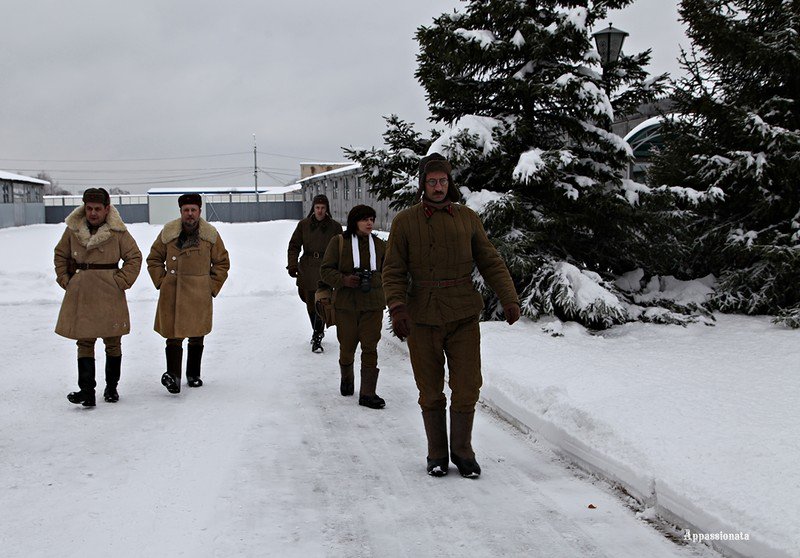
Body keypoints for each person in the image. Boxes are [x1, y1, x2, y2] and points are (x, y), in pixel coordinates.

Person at [383, 153, 521, 478]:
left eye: (443, 180)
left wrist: (509, 298)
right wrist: (397, 307)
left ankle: (462, 452)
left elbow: (490, 260)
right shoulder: (405, 222)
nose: (438, 187)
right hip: (422, 316)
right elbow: (393, 270)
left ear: (450, 182)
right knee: (430, 390)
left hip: (463, 314)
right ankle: (436, 454)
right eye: (432, 181)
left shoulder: (467, 218)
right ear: (423, 184)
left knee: (467, 386)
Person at [54, 187, 142, 406]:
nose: (93, 213)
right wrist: (66, 280)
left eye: (97, 209)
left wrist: (121, 281)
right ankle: (87, 391)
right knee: (84, 341)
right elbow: (60, 254)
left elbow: (134, 257)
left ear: (106, 209)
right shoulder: (73, 230)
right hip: (82, 292)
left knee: (113, 342)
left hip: (110, 291)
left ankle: (111, 388)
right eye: (89, 208)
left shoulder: (118, 232)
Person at [147, 193, 230, 394]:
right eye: (186, 210)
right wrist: (162, 281)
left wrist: (210, 286)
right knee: (173, 336)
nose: (190, 214)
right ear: (181, 212)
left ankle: (193, 375)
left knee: (196, 335)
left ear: (199, 211)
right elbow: (154, 259)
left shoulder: (210, 235)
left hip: (198, 293)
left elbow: (222, 263)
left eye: (193, 210)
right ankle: (173, 377)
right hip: (172, 292)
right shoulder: (168, 233)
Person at [320, 205, 387, 409]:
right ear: (354, 221)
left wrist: (377, 279)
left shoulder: (379, 245)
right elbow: (325, 270)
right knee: (347, 347)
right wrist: (344, 280)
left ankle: (368, 393)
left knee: (370, 347)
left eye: (371, 219)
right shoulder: (339, 242)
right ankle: (347, 380)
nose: (369, 223)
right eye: (364, 219)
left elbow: (391, 271)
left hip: (373, 305)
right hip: (346, 306)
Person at [287, 194, 343, 353]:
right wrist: (292, 264)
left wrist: (340, 269)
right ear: (313, 208)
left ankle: (318, 335)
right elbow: (294, 245)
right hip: (307, 268)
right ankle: (316, 330)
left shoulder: (335, 227)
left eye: (323, 208)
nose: (320, 211)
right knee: (310, 303)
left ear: (327, 209)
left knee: (323, 302)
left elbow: (342, 249)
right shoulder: (303, 225)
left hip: (326, 268)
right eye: (317, 207)